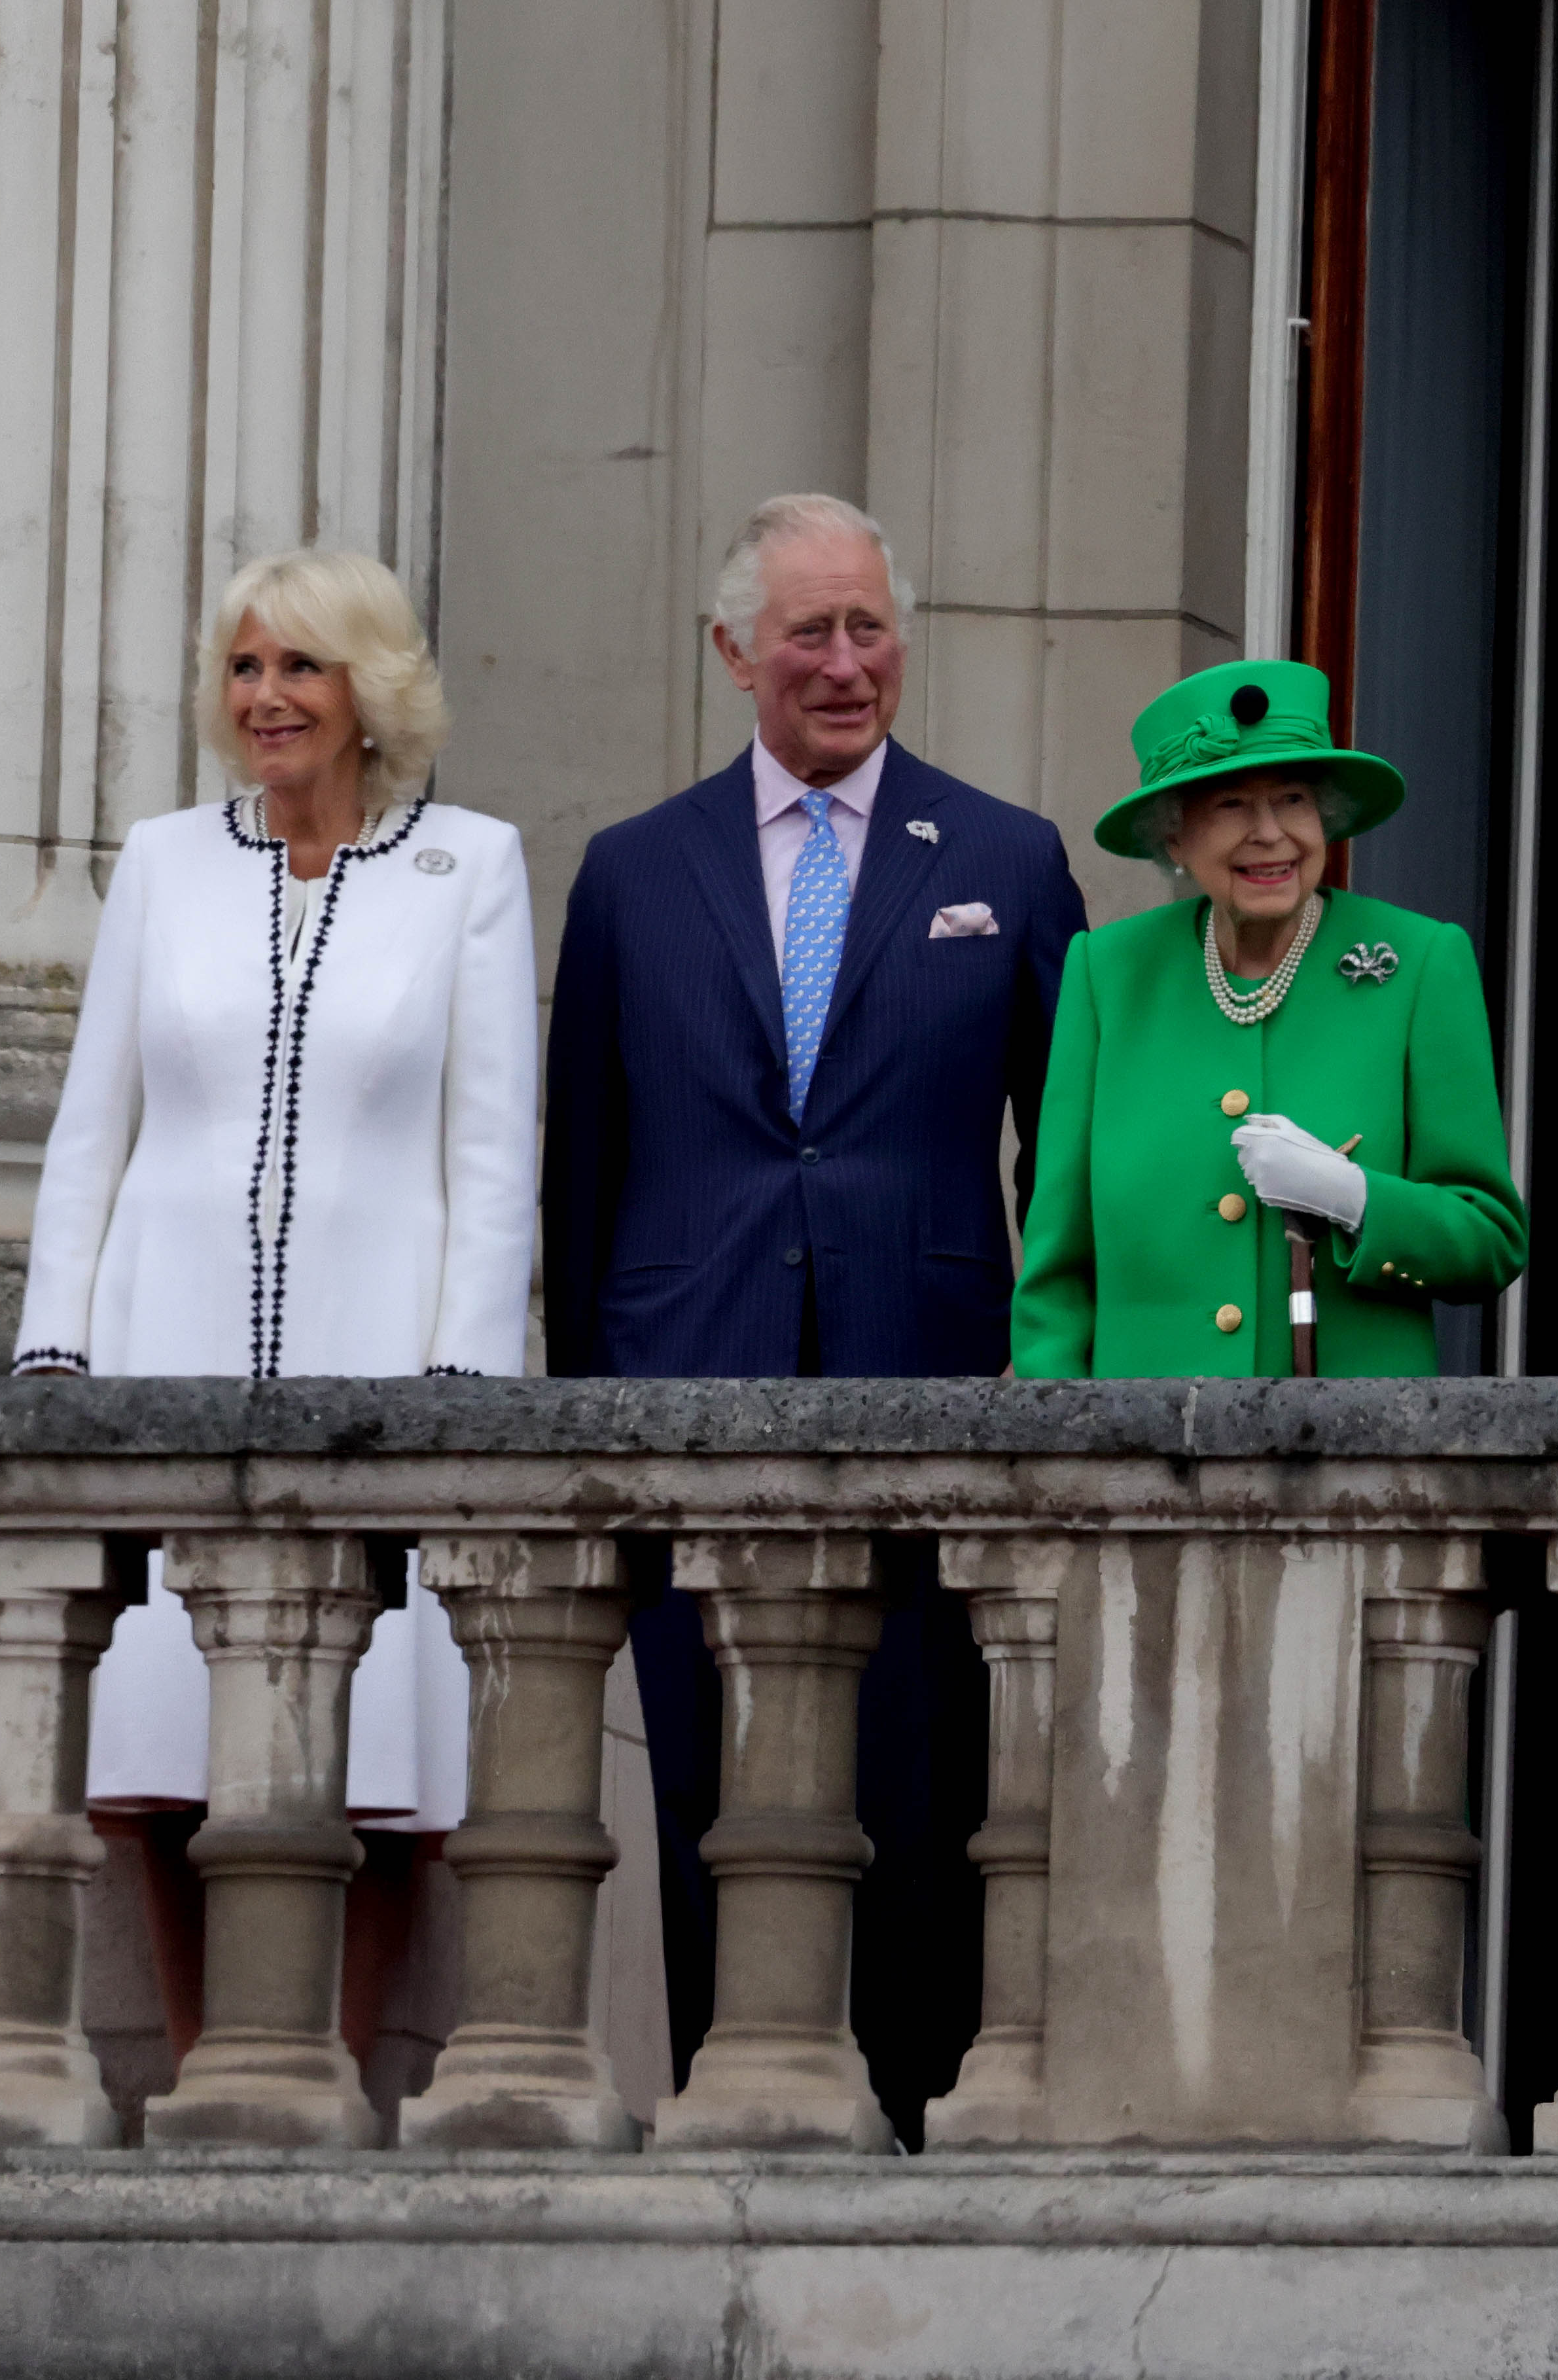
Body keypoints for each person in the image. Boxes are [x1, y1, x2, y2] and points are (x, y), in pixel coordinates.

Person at [540, 491, 1086, 2135]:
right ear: (734, 651)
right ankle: (735, 2117)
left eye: (870, 629)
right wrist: (590, 1417)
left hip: (929, 1397)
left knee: (919, 1792)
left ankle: (909, 2135)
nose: (845, 665)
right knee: (717, 1791)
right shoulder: (635, 872)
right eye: (809, 632)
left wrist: (1045, 1387)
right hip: (685, 1391)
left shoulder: (1005, 856)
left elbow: (1061, 1153)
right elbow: (585, 1164)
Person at [12, 547, 525, 2081]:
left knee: (371, 1762)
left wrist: (467, 1382)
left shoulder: (470, 865)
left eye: (301, 666)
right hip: (164, 1346)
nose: (268, 696)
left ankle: (339, 2085)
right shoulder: (166, 859)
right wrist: (56, 1351)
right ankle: (198, 2071)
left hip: (389, 1359)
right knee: (162, 1759)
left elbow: (493, 1146)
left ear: (371, 690)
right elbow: (91, 1125)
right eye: (246, 667)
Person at [1012, 658, 1523, 1377]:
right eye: (1230, 805)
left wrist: (1358, 1198)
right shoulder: (1109, 973)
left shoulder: (1418, 964)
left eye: (1292, 799)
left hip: (1349, 1457)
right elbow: (1057, 1269)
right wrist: (1063, 1450)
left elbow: (1490, 1240)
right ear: (1173, 838)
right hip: (1141, 1452)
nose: (1270, 834)